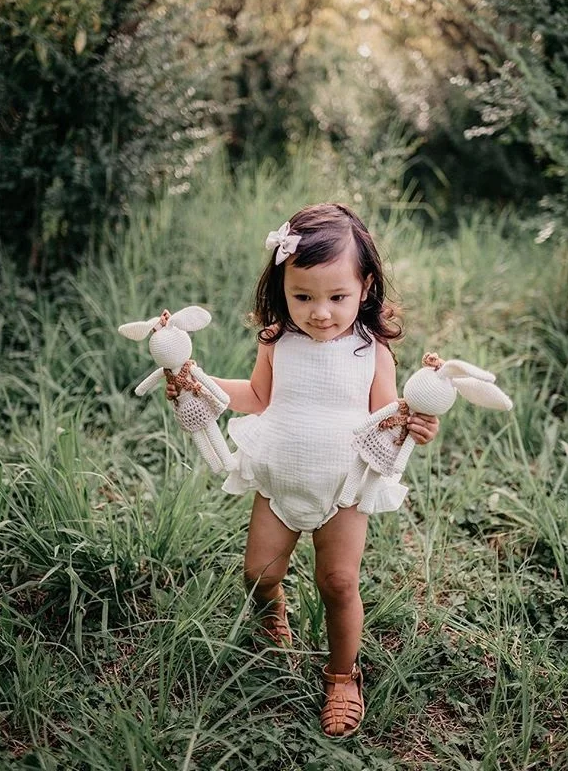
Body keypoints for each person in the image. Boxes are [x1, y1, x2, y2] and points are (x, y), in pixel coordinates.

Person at [167, 203, 439, 737]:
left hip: (343, 488)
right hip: (281, 480)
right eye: (303, 297)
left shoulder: (372, 352)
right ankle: (275, 616)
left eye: (337, 297)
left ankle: (342, 675)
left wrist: (414, 424)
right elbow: (257, 397)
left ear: (365, 287)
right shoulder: (277, 340)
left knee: (338, 582)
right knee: (259, 574)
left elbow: (387, 415)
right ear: (282, 290)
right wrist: (199, 382)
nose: (320, 313)